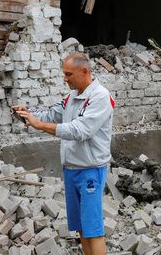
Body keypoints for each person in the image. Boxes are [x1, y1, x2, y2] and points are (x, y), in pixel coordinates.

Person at [12, 52, 114, 255]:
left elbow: (80, 130)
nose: (64, 79)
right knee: (81, 229)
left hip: (90, 171)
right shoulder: (73, 96)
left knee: (93, 230)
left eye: (68, 74)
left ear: (84, 71)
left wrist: (39, 125)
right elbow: (52, 114)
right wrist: (28, 114)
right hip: (72, 170)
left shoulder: (100, 97)